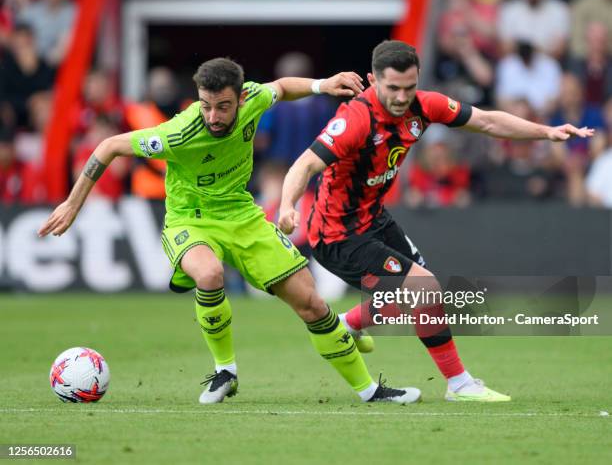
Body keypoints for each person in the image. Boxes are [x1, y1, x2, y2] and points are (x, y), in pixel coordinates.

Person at [38, 57, 420, 405]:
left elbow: (283, 87)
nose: (213, 116)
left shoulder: (254, 98)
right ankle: (226, 371)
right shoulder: (178, 133)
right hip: (191, 219)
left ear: (240, 99)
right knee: (209, 273)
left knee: (313, 305)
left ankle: (370, 391)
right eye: (206, 105)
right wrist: (73, 203)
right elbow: (108, 146)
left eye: (222, 106)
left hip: (242, 215)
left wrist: (323, 83)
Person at [278, 40, 594, 402]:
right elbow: (304, 164)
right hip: (337, 235)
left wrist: (546, 132)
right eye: (392, 88)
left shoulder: (425, 105)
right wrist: (288, 206)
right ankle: (459, 384)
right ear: (373, 80)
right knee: (424, 288)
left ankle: (348, 324)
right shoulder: (354, 120)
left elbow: (488, 121)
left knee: (425, 292)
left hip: (374, 219)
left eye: (408, 87)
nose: (401, 97)